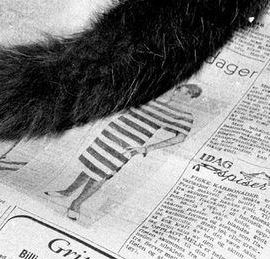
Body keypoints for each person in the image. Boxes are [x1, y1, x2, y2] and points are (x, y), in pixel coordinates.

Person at [45, 84, 202, 219]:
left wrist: (147, 148)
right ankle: (67, 191)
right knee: (91, 167)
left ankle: (76, 203)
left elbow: (180, 138)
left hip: (128, 146)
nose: (183, 94)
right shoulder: (152, 98)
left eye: (189, 94)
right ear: (175, 90)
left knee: (102, 174)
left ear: (192, 99)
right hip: (110, 136)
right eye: (182, 90)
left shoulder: (184, 115)